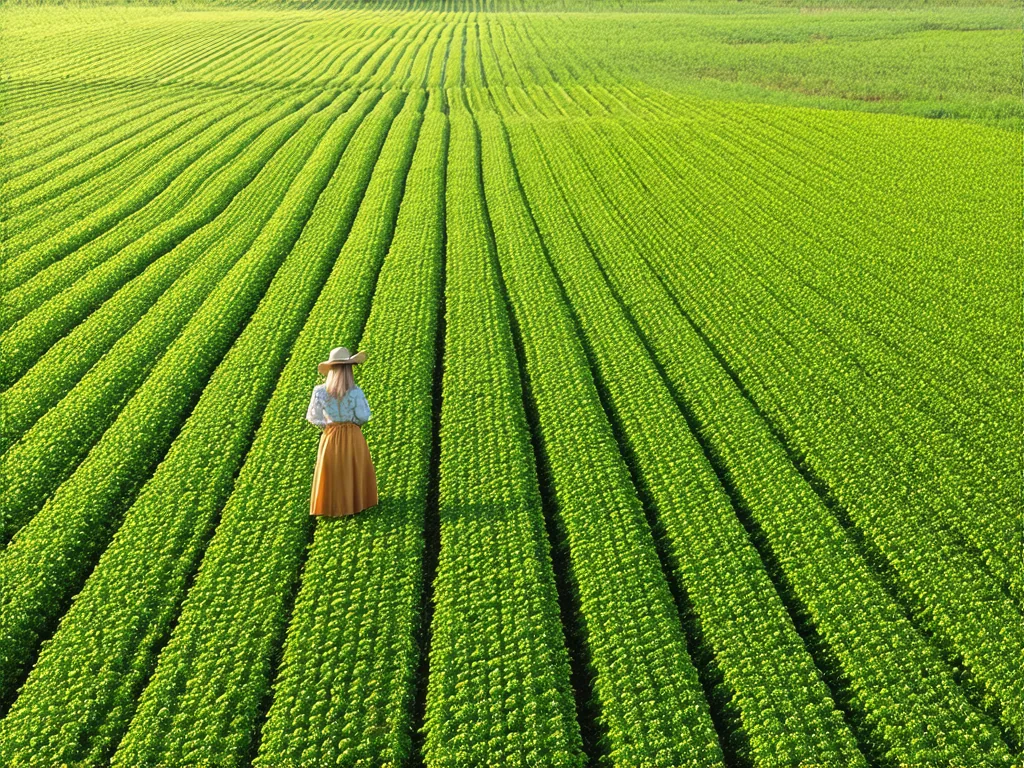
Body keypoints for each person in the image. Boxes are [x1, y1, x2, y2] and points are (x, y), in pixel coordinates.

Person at [305, 346, 378, 517]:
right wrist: (352, 425)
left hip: (331, 434)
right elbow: (363, 416)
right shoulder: (354, 392)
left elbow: (313, 417)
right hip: (352, 434)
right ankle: (354, 503)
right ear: (348, 369)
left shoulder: (320, 391)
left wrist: (329, 426)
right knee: (353, 467)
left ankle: (331, 506)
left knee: (332, 469)